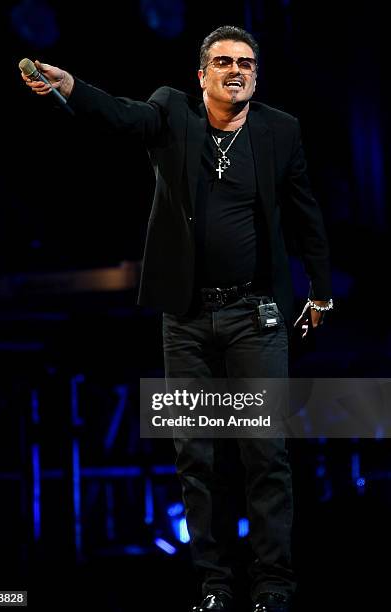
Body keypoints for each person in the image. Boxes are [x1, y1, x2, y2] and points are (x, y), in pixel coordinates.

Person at [21, 25, 333, 612]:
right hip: (186, 318)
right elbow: (119, 116)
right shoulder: (172, 113)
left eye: (245, 63)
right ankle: (214, 587)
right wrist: (70, 88)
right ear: (202, 75)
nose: (234, 70)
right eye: (222, 62)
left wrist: (320, 292)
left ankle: (273, 586)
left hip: (256, 314)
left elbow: (304, 211)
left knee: (264, 451)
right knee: (196, 453)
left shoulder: (279, 130)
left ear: (256, 76)